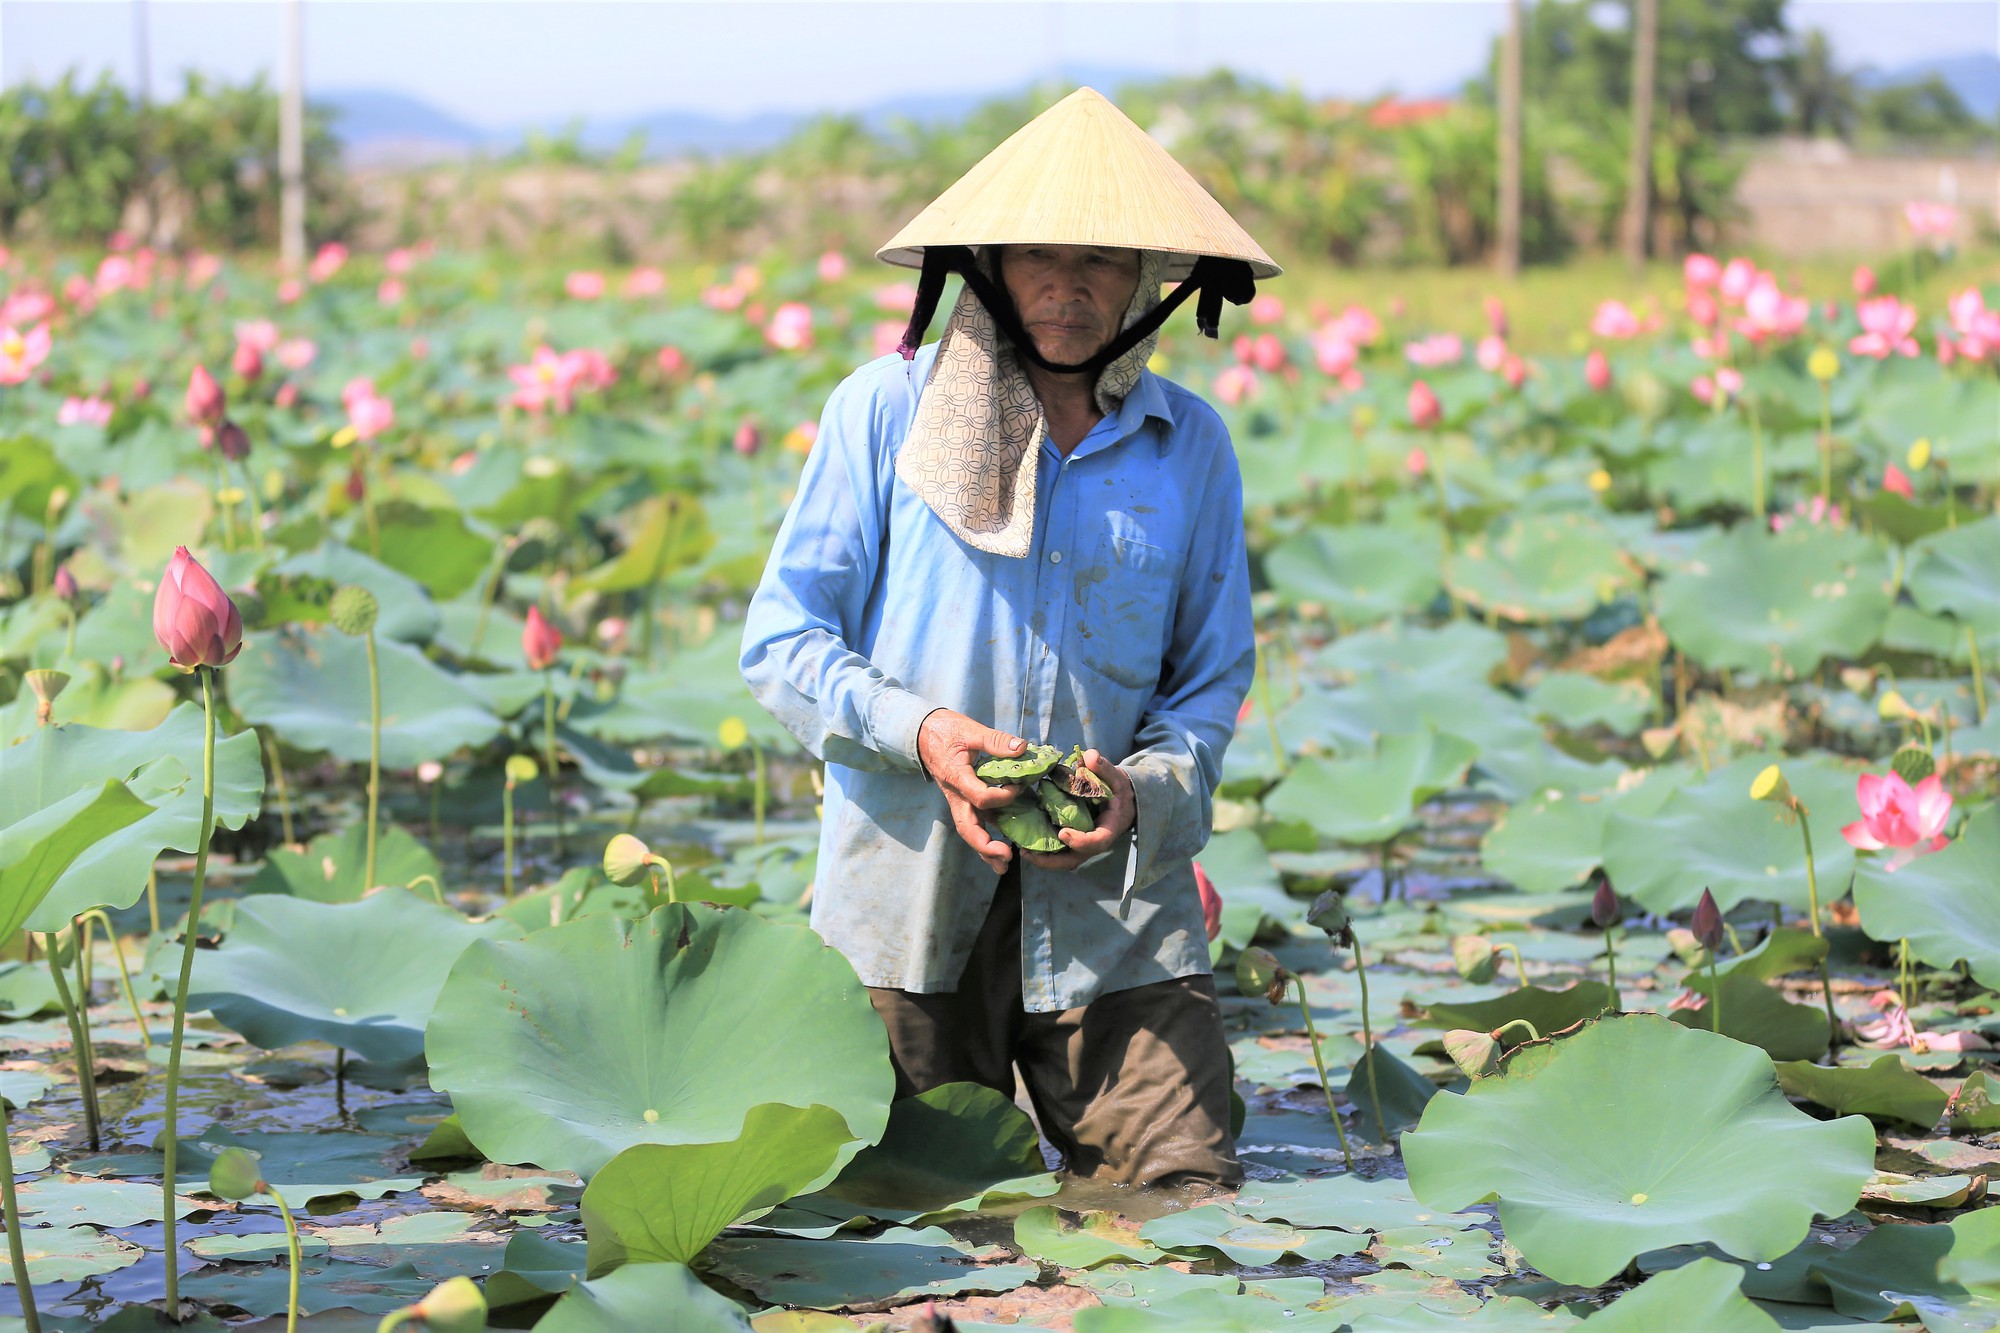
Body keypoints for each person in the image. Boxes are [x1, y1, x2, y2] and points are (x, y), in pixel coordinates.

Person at [740, 87, 1279, 1187]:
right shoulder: (881, 415)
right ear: (986, 264)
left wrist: (1143, 792)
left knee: (1187, 1207)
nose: (1067, 285)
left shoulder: (1189, 447)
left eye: (1100, 260)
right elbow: (783, 641)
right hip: (909, 900)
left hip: (1118, 908)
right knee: (907, 1234)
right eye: (1037, 253)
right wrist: (924, 732)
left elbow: (1210, 679)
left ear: (1147, 282)